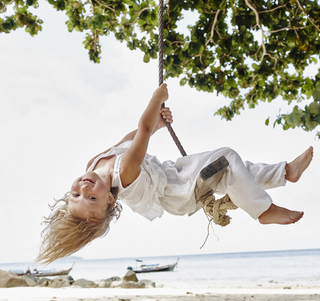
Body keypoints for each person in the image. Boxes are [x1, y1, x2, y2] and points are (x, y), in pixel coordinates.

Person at [36, 84, 313, 264]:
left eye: (76, 194)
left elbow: (127, 140)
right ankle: (263, 211)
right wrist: (155, 99)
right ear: (109, 200)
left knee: (236, 170)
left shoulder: (93, 164)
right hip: (180, 192)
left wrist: (157, 124)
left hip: (175, 172)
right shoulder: (127, 173)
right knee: (226, 158)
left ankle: (286, 172)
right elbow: (141, 132)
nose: (84, 189)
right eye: (91, 199)